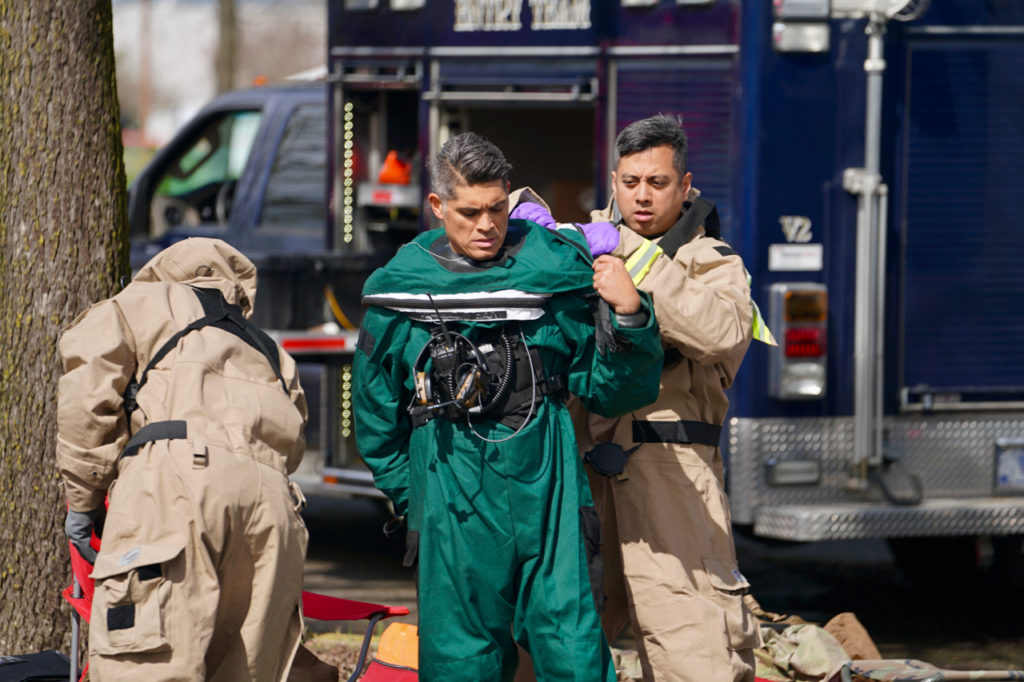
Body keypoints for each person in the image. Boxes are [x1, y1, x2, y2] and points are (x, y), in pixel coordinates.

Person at [352, 132, 664, 682]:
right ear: (437, 207)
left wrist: (631, 316)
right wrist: (417, 496)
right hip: (452, 497)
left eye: (498, 209)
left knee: (573, 650)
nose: (486, 226)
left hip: (548, 493)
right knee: (460, 661)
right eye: (469, 212)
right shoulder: (400, 294)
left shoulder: (555, 274)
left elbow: (616, 391)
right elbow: (376, 414)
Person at [511, 114, 771, 682]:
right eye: (630, 183)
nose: (642, 196)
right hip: (578, 470)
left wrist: (630, 260)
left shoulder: (713, 262)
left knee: (693, 651)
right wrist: (529, 226)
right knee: (546, 644)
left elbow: (722, 331)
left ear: (685, 185)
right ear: (613, 180)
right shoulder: (579, 244)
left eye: (657, 183)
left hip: (672, 476)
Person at [57, 237, 310, 681]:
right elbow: (295, 435)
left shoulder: (139, 303)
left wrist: (84, 499)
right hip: (275, 510)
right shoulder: (270, 350)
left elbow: (87, 397)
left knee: (146, 664)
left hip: (177, 483)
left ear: (162, 270)